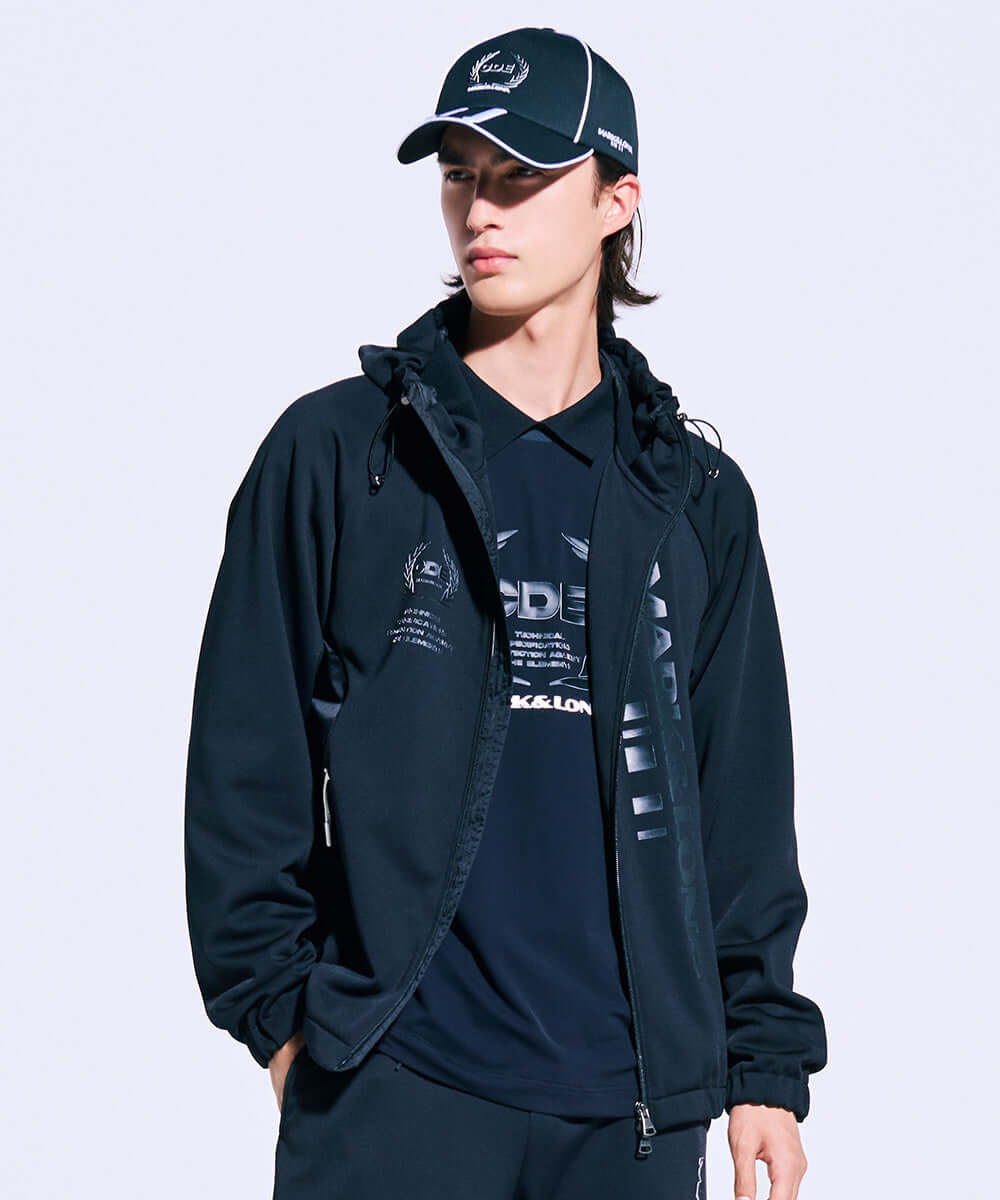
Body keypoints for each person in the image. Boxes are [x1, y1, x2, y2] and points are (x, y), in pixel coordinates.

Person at [184, 25, 827, 1200]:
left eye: (521, 177)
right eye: (459, 176)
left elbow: (738, 809)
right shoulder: (343, 457)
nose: (480, 211)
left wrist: (763, 1069)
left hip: (628, 1116)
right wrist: (292, 1035)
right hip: (397, 1095)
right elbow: (246, 767)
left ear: (616, 202)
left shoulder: (691, 497)